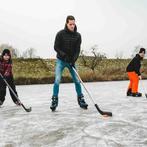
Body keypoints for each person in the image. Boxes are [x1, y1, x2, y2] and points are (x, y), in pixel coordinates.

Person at [50, 15, 88, 111]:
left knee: (77, 80)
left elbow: (77, 50)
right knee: (57, 79)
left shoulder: (78, 36)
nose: (72, 26)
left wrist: (73, 60)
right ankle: (54, 100)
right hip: (61, 60)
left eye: (73, 24)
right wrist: (63, 55)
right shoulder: (60, 34)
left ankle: (81, 99)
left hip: (71, 61)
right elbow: (56, 47)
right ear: (66, 23)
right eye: (70, 24)